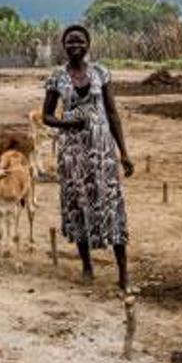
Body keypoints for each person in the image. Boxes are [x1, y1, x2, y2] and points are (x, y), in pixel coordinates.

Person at [41, 25, 134, 290]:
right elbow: (46, 115)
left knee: (112, 204)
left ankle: (123, 272)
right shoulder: (57, 77)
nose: (74, 45)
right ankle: (86, 265)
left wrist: (124, 153)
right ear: (63, 45)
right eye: (69, 41)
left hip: (102, 151)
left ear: (88, 44)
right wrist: (66, 125)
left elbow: (113, 113)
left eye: (79, 40)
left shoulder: (101, 72)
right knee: (78, 204)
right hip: (72, 154)